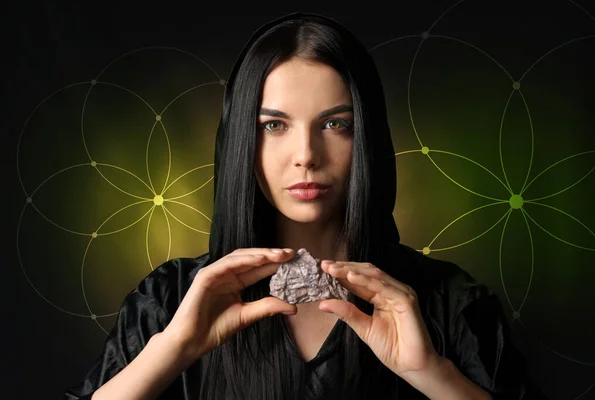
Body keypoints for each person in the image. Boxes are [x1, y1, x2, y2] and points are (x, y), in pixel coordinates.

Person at [64, 12, 549, 400]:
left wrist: (432, 375)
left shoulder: (447, 304)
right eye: (273, 126)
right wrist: (173, 349)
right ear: (241, 144)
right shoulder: (170, 301)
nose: (305, 156)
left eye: (336, 124)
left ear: (368, 139)